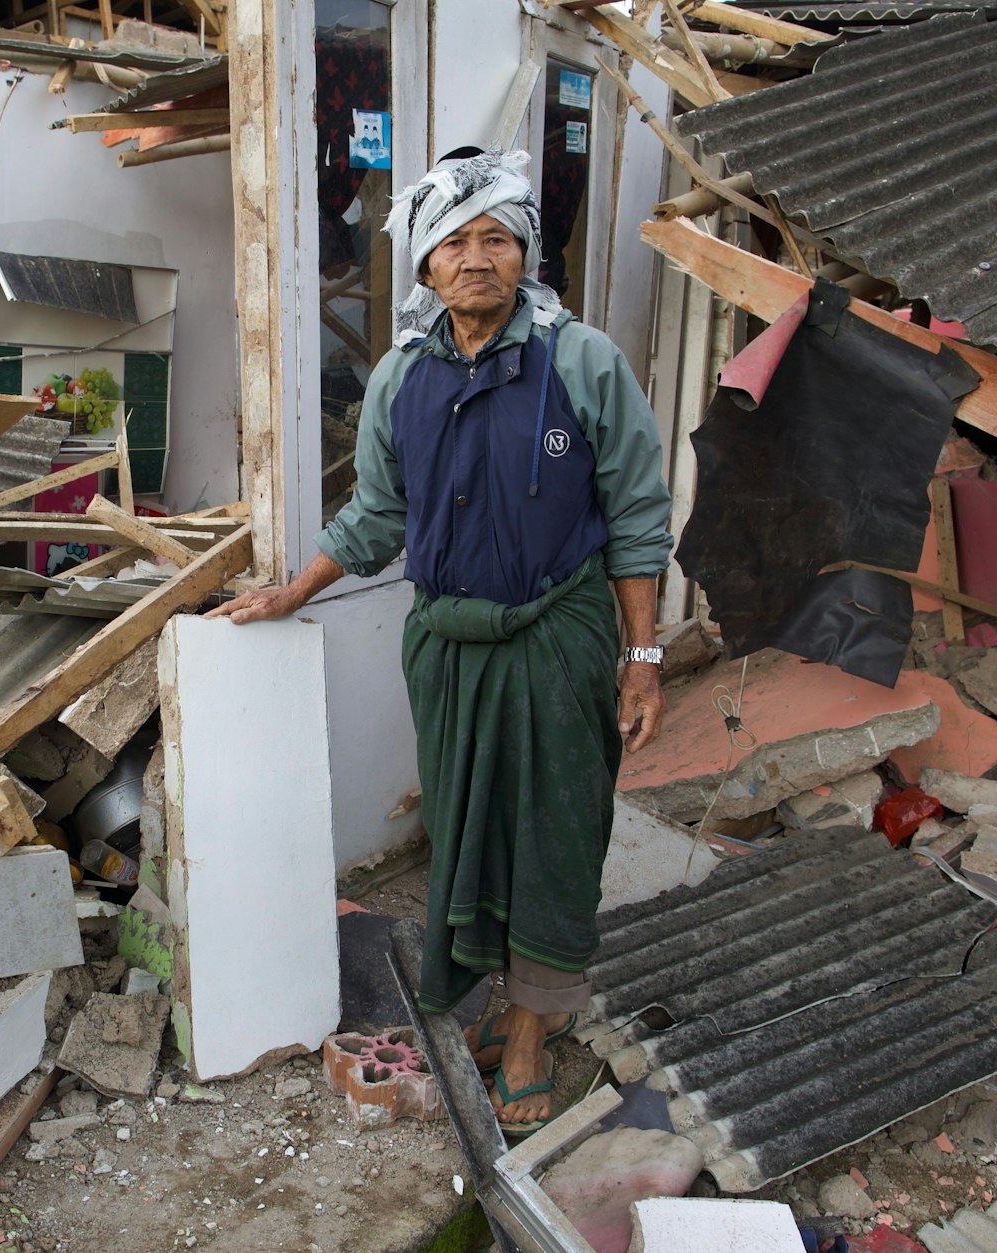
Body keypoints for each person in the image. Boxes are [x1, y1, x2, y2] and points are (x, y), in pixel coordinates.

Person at [208, 147, 673, 1133]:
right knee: (466, 832)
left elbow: (635, 513)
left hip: (558, 635)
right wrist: (295, 587)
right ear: (423, 266)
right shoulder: (399, 380)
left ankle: (530, 1034)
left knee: (551, 835)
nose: (476, 258)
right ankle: (499, 1000)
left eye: (496, 239)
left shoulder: (581, 362)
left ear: (525, 258)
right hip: (448, 650)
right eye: (454, 242)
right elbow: (378, 513)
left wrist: (641, 656)